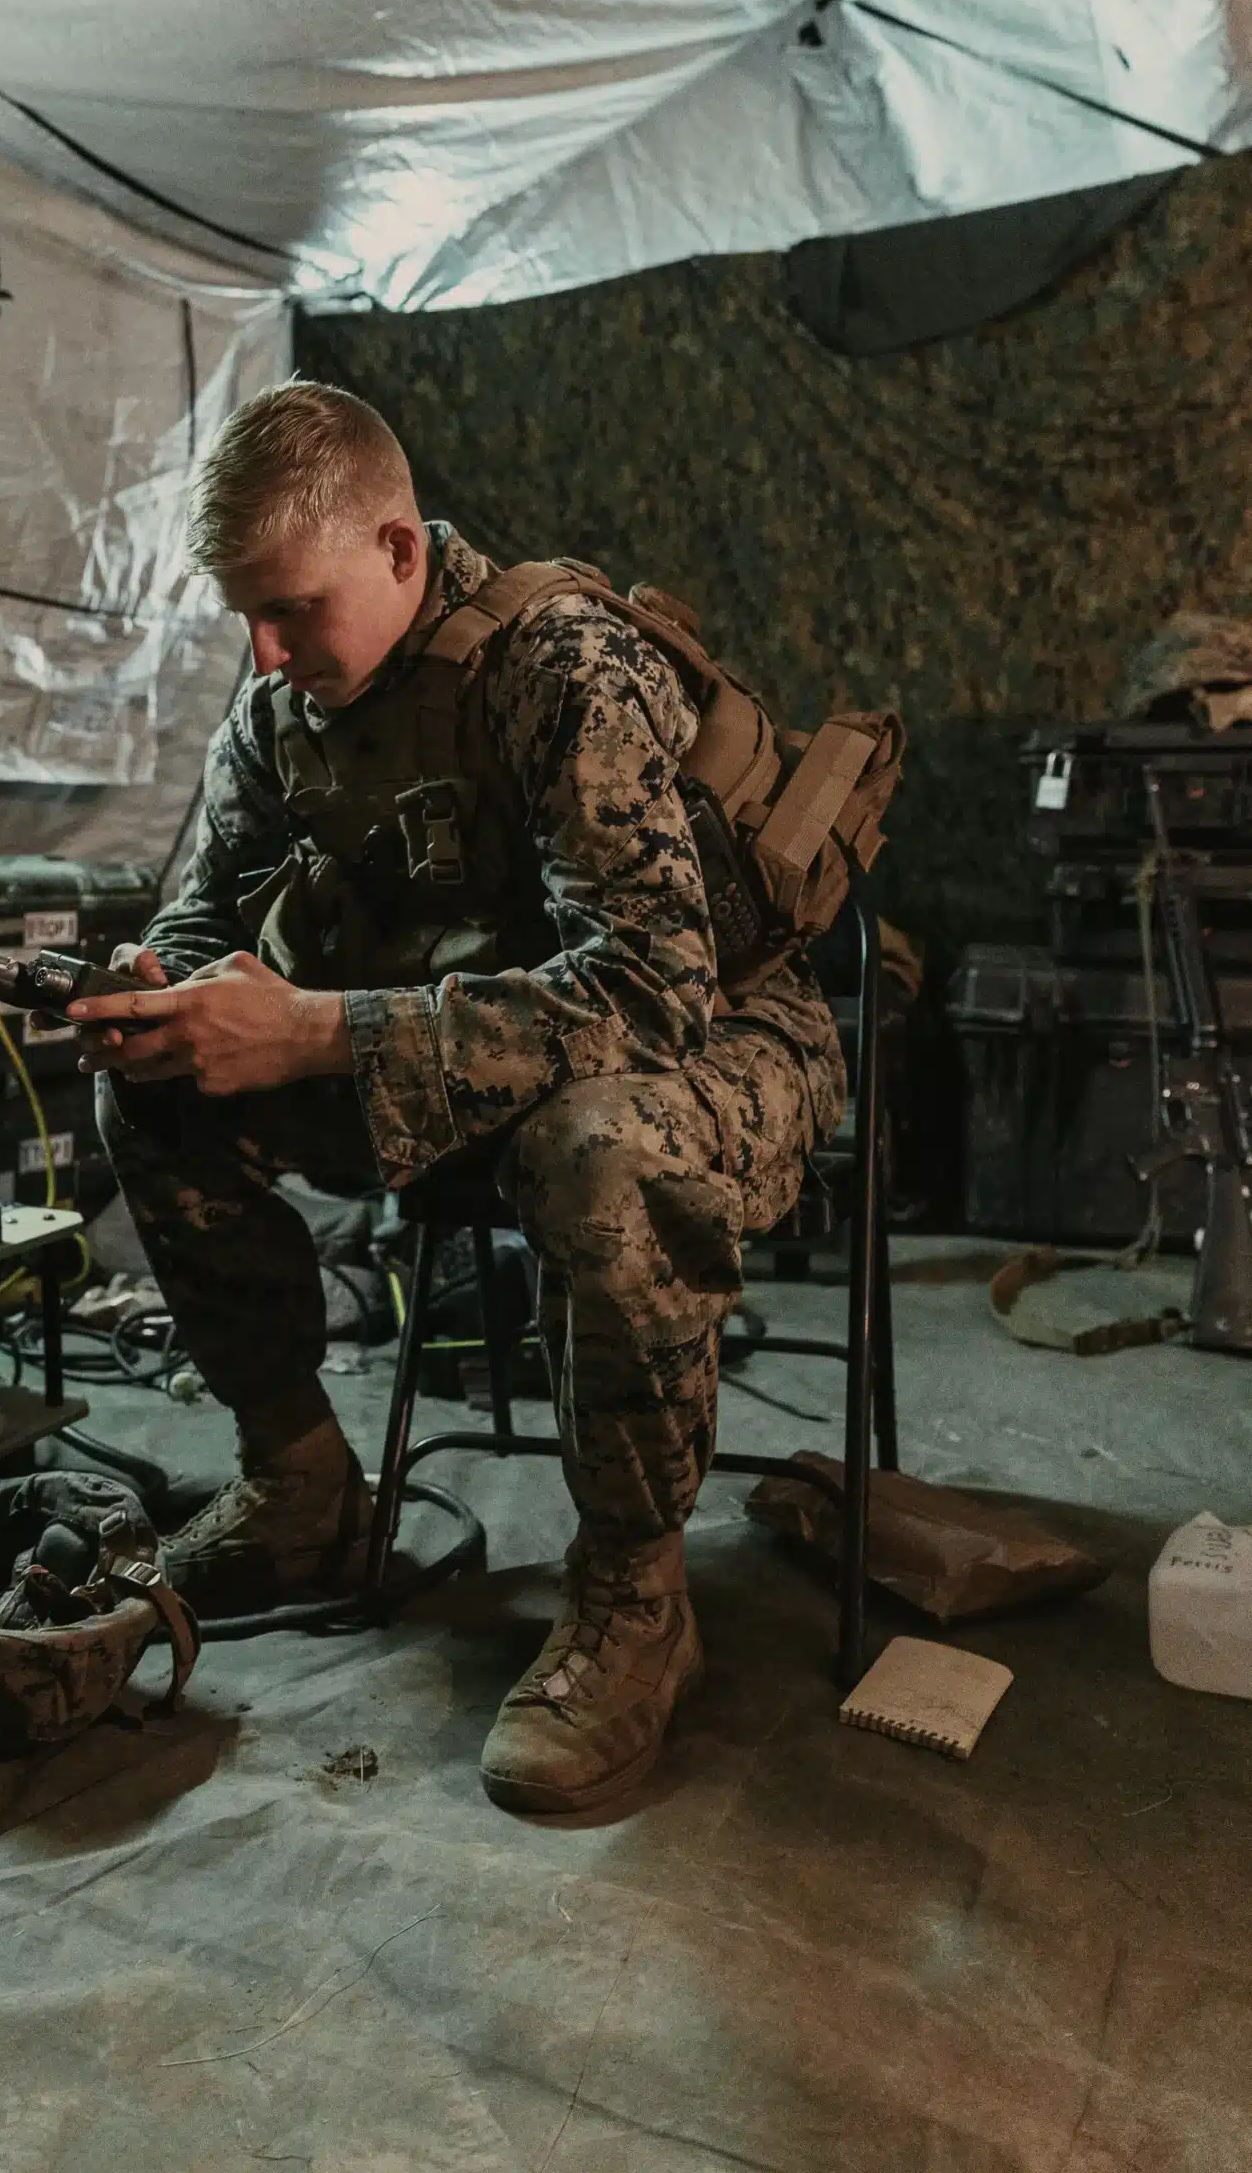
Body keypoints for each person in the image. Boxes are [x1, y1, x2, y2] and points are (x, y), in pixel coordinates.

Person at [70, 380, 844, 1814]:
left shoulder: (557, 665)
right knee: (158, 1097)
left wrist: (310, 1033)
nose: (264, 648)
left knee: (596, 1153)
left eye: (291, 607)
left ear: (399, 549)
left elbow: (645, 994)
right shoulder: (278, 716)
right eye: (241, 613)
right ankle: (299, 1484)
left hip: (723, 1042)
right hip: (465, 1051)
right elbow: (195, 921)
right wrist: (159, 996)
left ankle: (633, 1601)